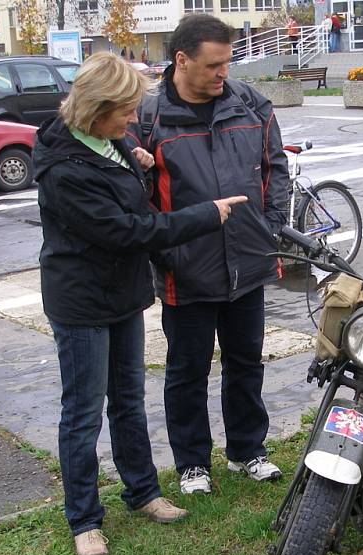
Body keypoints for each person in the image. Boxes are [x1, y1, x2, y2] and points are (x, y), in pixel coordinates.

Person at [33, 52, 247, 555]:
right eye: (125, 113)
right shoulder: (65, 168)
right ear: (94, 108)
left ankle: (143, 492)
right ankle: (84, 519)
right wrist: (204, 216)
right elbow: (125, 229)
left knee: (129, 401)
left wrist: (137, 158)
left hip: (123, 295)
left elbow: (131, 192)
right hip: (81, 301)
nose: (134, 121)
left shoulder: (109, 141)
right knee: (82, 415)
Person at [134, 14, 288, 495]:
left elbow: (275, 169)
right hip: (187, 270)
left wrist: (271, 228)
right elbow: (136, 196)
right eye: (214, 65)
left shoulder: (251, 105)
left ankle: (247, 450)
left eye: (228, 62)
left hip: (248, 261)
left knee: (246, 361)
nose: (224, 73)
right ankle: (192, 463)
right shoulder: (149, 118)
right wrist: (165, 253)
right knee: (187, 370)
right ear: (182, 61)